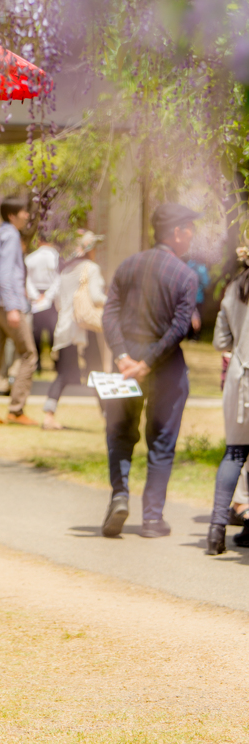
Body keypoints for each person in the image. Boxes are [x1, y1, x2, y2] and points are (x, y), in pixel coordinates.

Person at [101, 202, 199, 539]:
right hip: (166, 369)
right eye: (189, 229)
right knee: (161, 442)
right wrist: (149, 363)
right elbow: (179, 327)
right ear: (176, 232)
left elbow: (109, 314)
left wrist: (123, 356)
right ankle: (153, 519)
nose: (192, 236)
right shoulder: (184, 274)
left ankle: (119, 496)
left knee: (119, 433)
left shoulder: (128, 265)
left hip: (125, 369)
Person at [0, 195, 38, 425]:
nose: (27, 216)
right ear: (13, 215)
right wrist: (13, 307)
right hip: (6, 305)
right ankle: (16, 409)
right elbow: (4, 273)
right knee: (29, 354)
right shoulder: (12, 235)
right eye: (24, 212)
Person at [206, 239, 249, 554]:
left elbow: (221, 338)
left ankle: (215, 530)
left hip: (238, 376)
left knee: (234, 453)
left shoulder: (234, 287)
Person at [42, 231, 106, 430]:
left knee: (64, 372)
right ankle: (108, 417)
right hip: (83, 328)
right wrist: (114, 302)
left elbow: (59, 302)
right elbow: (96, 297)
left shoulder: (66, 270)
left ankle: (48, 415)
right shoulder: (91, 268)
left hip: (65, 327)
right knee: (97, 373)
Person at [25, 237, 60, 373]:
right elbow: (58, 279)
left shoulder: (31, 257)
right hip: (47, 297)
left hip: (39, 297)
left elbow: (27, 280)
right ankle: (53, 362)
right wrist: (47, 296)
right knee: (52, 331)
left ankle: (39, 362)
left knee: (37, 332)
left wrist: (37, 296)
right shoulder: (55, 256)